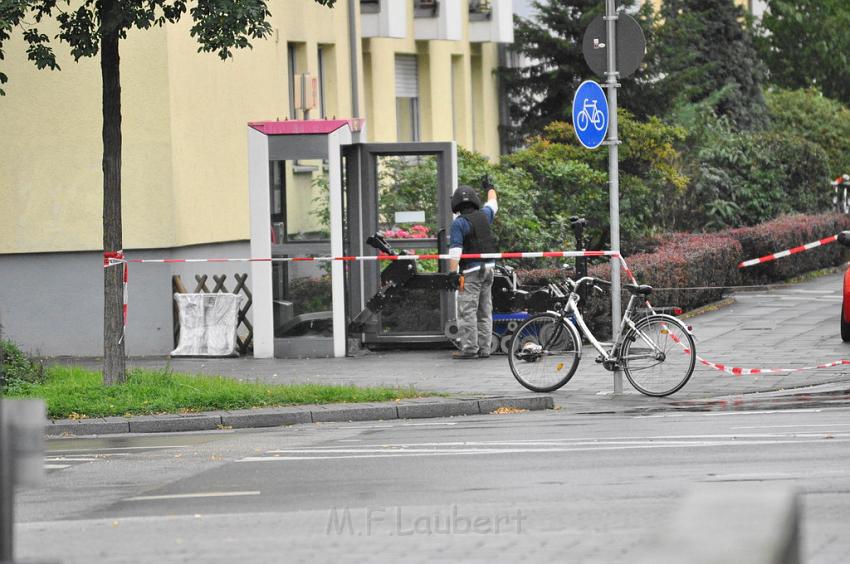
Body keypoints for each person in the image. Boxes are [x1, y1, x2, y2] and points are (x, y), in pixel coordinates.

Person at [448, 179, 498, 359]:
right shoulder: (485, 214)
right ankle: (485, 349)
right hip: (489, 269)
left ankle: (470, 349)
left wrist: (453, 274)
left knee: (467, 311)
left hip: (471, 272)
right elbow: (493, 203)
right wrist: (490, 188)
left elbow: (455, 251)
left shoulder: (459, 223)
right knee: (485, 311)